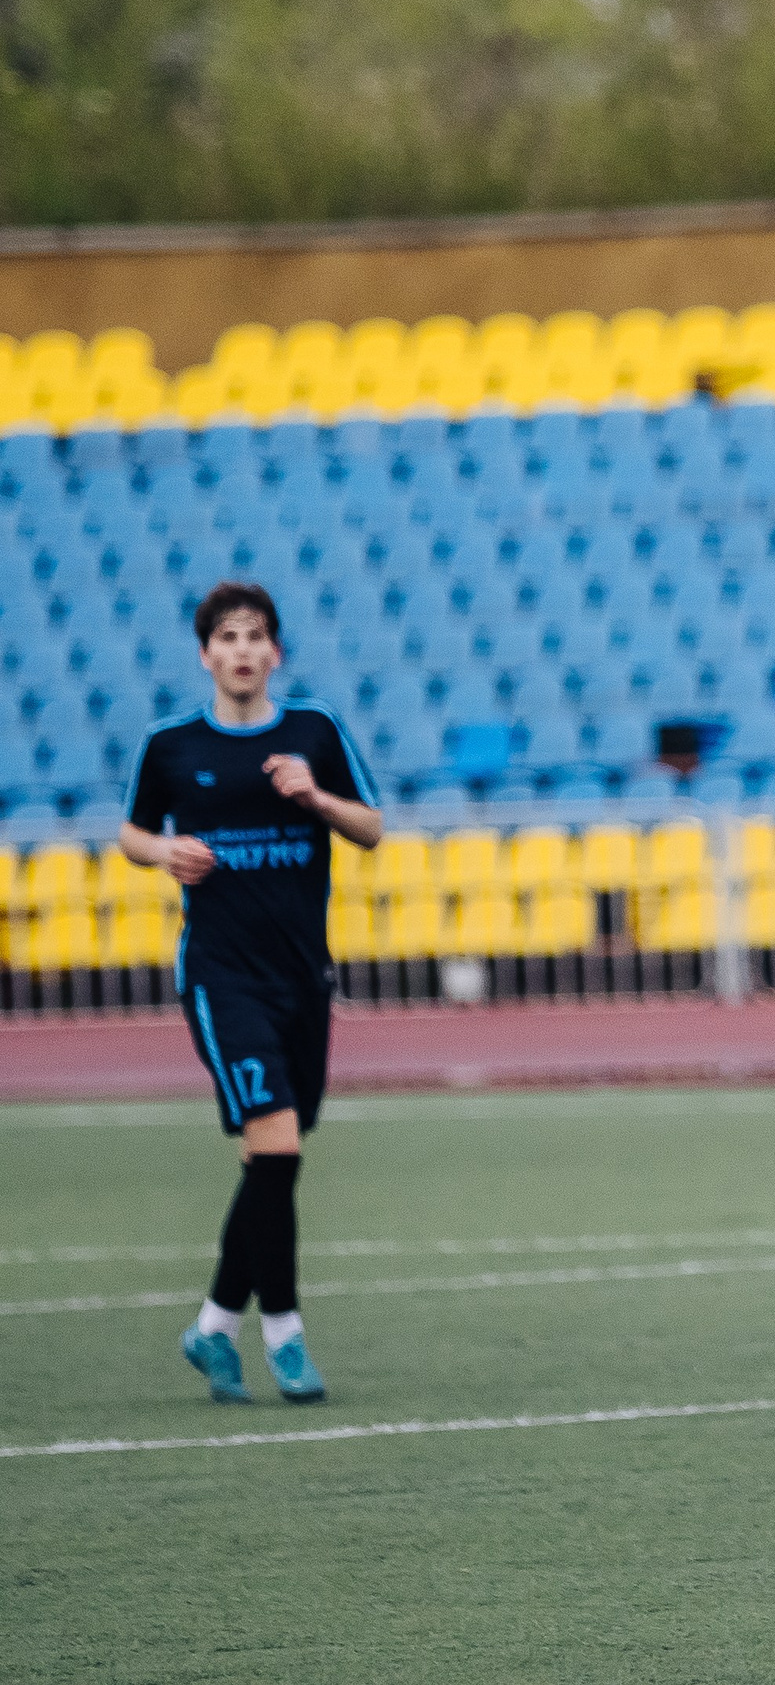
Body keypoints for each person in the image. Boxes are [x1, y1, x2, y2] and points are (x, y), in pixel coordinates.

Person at [122, 582, 382, 1405]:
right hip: (221, 977)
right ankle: (287, 1337)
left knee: (272, 1163)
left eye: (256, 636)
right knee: (279, 1151)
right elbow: (131, 830)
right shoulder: (171, 744)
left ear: (276, 653)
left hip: (304, 976)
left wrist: (314, 796)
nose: (242, 649)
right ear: (206, 655)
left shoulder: (315, 731)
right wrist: (163, 854)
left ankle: (214, 1326)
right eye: (227, 637)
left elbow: (372, 827)